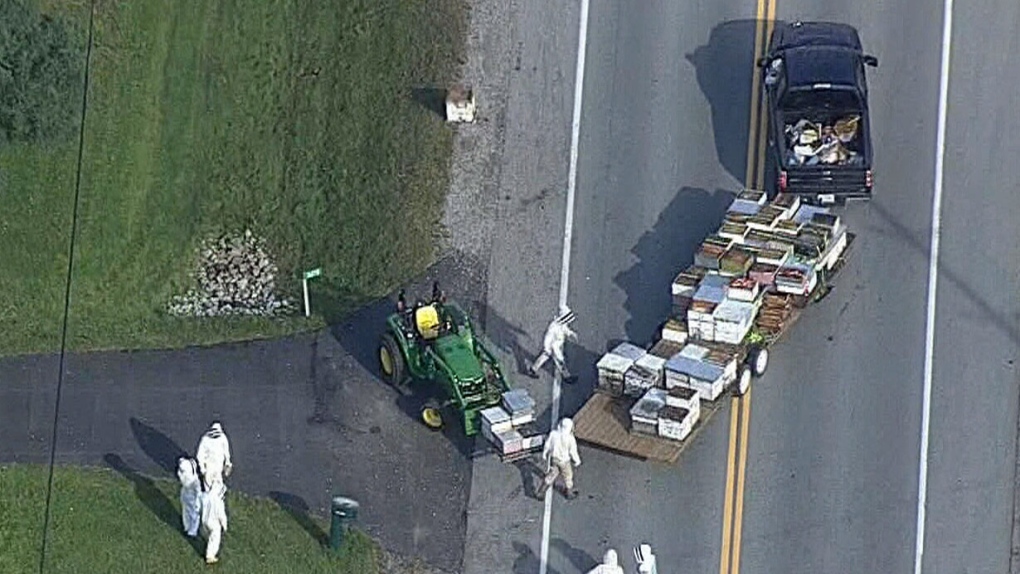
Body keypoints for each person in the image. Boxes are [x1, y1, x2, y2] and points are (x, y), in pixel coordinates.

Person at [527, 308, 578, 382]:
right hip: (553, 347)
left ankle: (533, 369)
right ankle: (566, 377)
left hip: (553, 347)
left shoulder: (559, 324)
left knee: (543, 358)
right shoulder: (554, 327)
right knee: (560, 361)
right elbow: (548, 338)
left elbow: (564, 329)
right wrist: (548, 348)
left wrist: (571, 333)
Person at [539, 417, 581, 499]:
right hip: (564, 461)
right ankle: (569, 493)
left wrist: (544, 453)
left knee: (552, 474)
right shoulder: (570, 438)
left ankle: (541, 492)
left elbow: (547, 444)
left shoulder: (553, 434)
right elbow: (573, 451)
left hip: (554, 459)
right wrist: (577, 461)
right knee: (568, 476)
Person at [196, 421, 233, 491]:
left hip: (208, 466)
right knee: (218, 484)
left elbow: (199, 456)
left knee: (207, 485)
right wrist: (228, 463)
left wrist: (202, 469)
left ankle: (209, 498)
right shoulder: (223, 437)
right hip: (218, 464)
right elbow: (226, 452)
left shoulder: (205, 439)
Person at [200, 480, 229, 564]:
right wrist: (225, 525)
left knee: (207, 533)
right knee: (215, 538)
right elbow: (221, 515)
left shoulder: (206, 496)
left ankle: (206, 541)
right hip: (213, 523)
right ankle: (210, 555)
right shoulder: (218, 502)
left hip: (204, 519)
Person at [176, 456, 202, 538]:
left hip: (192, 500)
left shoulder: (194, 481)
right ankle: (186, 526)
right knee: (185, 511)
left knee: (193, 515)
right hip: (185, 496)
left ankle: (192, 531)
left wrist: (197, 501)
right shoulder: (185, 477)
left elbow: (198, 492)